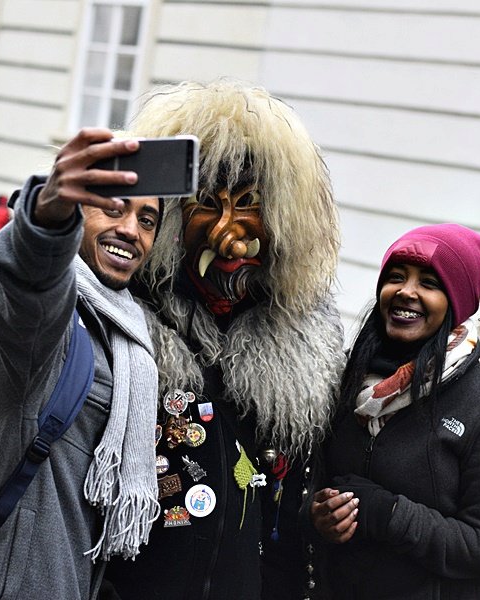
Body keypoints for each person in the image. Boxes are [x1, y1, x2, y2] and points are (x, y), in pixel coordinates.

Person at [102, 79, 346, 600]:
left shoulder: (303, 347)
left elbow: (292, 497)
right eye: (207, 205)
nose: (229, 233)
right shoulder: (122, 321)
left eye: (249, 204)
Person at [0, 128, 163, 599]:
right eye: (113, 207)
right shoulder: (48, 316)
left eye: (147, 219)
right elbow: (29, 285)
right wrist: (46, 221)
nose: (131, 230)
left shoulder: (128, 334)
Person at [311, 223, 480, 600]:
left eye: (429, 283)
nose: (406, 292)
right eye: (396, 277)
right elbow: (311, 487)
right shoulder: (342, 381)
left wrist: (389, 513)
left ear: (455, 302)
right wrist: (318, 515)